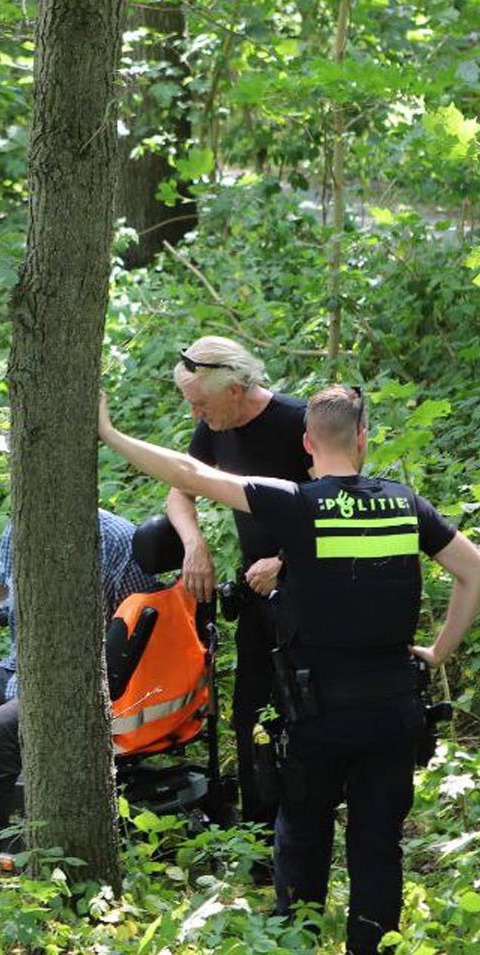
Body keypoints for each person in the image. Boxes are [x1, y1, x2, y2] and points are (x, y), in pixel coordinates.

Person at [99, 385, 480, 955]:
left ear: (308, 444)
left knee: (303, 838)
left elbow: (189, 473)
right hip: (393, 710)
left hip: (316, 716)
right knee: (377, 848)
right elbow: (475, 571)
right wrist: (437, 652)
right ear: (363, 438)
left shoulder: (298, 505)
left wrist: (109, 431)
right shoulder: (407, 506)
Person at [0, 510, 161, 881]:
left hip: (78, 680)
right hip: (20, 666)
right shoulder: (25, 515)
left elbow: (141, 620)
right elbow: (3, 574)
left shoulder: (115, 539)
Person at [165, 336, 314, 849]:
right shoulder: (213, 427)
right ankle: (258, 845)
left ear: (235, 388)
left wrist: (288, 562)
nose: (194, 413)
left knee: (305, 713)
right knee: (248, 714)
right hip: (254, 595)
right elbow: (178, 490)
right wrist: (194, 544)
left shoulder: (299, 423)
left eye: (200, 403)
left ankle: (305, 833)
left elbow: (338, 505)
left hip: (309, 595)